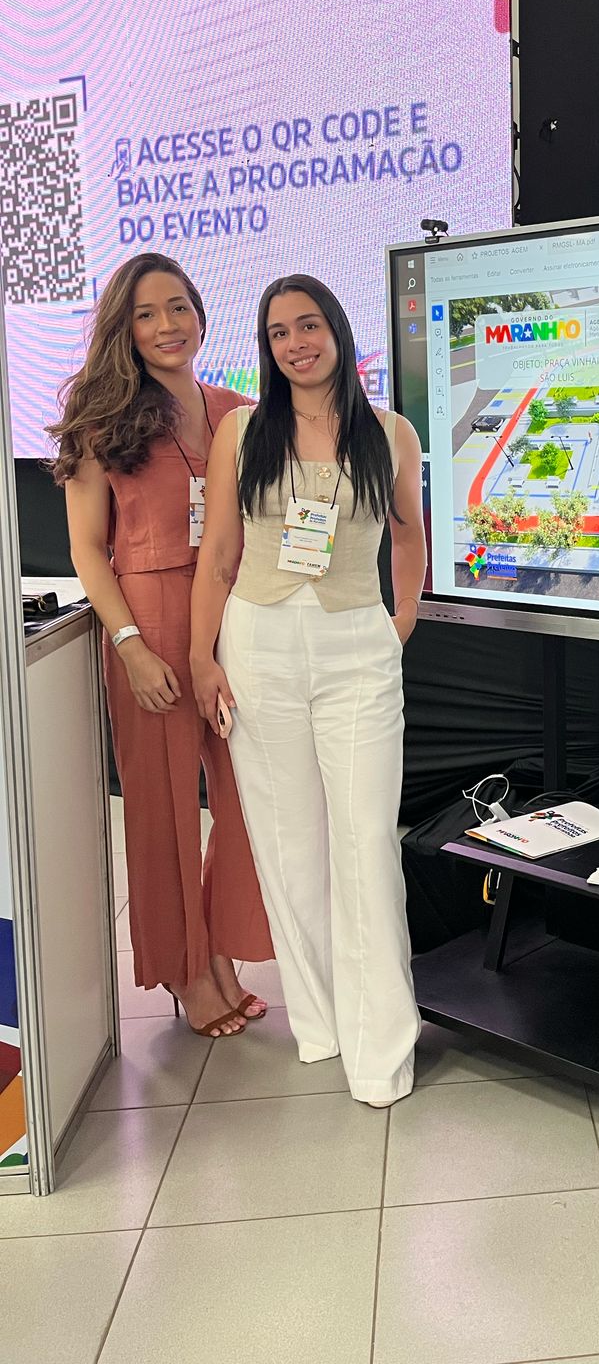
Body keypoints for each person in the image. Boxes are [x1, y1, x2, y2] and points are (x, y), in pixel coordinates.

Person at [190, 273, 425, 1107]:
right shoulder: (241, 431)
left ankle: (382, 1049)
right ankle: (322, 1024)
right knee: (289, 849)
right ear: (267, 346)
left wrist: (397, 623)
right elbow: (219, 554)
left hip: (355, 646)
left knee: (366, 845)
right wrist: (202, 658)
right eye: (280, 331)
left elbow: (410, 537)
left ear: (338, 331)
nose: (297, 343)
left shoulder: (389, 432)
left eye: (310, 325)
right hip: (258, 645)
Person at [51, 253, 272, 1038]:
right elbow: (87, 550)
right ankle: (187, 968)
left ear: (201, 314)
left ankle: (222, 945)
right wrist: (132, 646)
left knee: (248, 795)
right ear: (125, 328)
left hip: (235, 609)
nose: (167, 325)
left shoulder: (238, 411)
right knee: (165, 806)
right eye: (146, 313)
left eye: (178, 306)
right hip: (148, 614)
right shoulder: (102, 419)